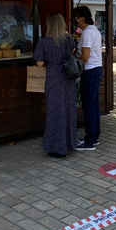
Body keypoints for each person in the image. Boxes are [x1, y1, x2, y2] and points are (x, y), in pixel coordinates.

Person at [33, 14, 77, 157]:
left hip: (53, 77)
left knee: (54, 112)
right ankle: (69, 144)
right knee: (68, 110)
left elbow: (39, 63)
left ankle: (56, 147)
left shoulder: (44, 42)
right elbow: (73, 53)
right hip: (68, 78)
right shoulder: (69, 40)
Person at [75, 6, 103, 150]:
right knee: (94, 105)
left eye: (77, 18)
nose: (76, 21)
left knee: (89, 106)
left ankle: (90, 140)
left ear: (83, 17)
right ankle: (94, 136)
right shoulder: (95, 30)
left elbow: (85, 56)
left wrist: (74, 59)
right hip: (96, 70)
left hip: (90, 71)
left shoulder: (86, 33)